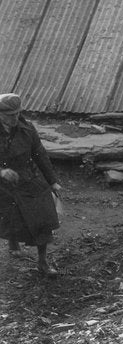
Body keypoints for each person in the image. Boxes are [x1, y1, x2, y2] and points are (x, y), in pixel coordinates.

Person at [0, 94, 63, 277]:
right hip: (2, 184)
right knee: (12, 216)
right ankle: (13, 241)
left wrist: (52, 181)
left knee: (43, 217)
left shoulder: (27, 128)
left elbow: (39, 154)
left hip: (27, 177)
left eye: (16, 114)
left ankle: (42, 262)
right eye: (9, 115)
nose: (14, 119)